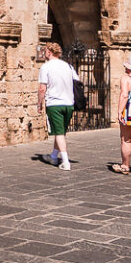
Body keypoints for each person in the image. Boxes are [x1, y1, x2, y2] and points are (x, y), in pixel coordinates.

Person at [37, 42, 79, 170]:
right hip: (69, 103)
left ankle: (65, 162)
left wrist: (39, 103)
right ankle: (54, 156)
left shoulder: (46, 67)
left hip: (55, 103)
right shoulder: (68, 66)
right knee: (60, 132)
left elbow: (42, 88)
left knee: (59, 133)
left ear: (49, 52)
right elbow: (77, 81)